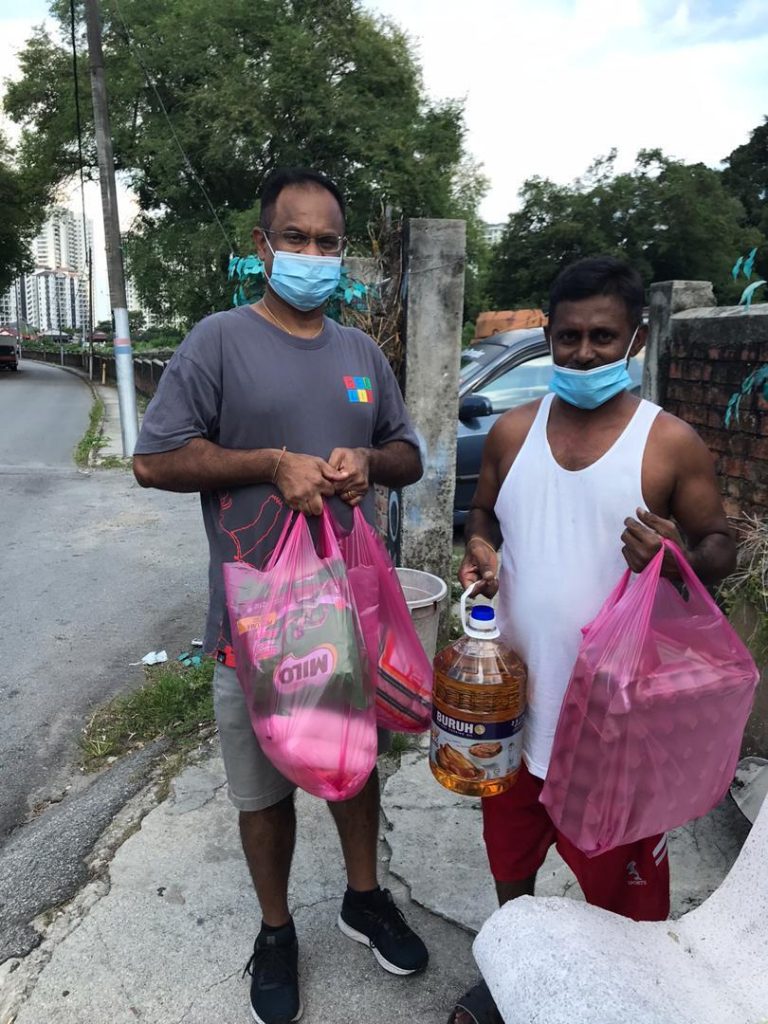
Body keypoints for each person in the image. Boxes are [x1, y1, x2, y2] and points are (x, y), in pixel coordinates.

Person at [133, 167, 428, 1024]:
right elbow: (155, 460)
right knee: (263, 795)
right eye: (293, 238)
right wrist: (267, 463)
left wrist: (369, 462)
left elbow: (406, 452)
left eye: (326, 242)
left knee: (352, 771)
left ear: (345, 254)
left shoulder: (361, 355)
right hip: (255, 623)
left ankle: (363, 896)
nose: (310, 254)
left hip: (349, 615)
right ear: (262, 246)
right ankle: (274, 929)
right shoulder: (218, 341)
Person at [449, 256, 737, 1024]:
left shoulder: (668, 443)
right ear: (547, 333)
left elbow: (720, 547)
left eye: (602, 338)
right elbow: (482, 518)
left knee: (627, 905)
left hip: (614, 729)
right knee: (511, 871)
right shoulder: (514, 432)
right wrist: (480, 548)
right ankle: (521, 967)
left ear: (636, 337)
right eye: (568, 336)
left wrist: (679, 557)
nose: (581, 355)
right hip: (510, 714)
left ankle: (629, 1000)